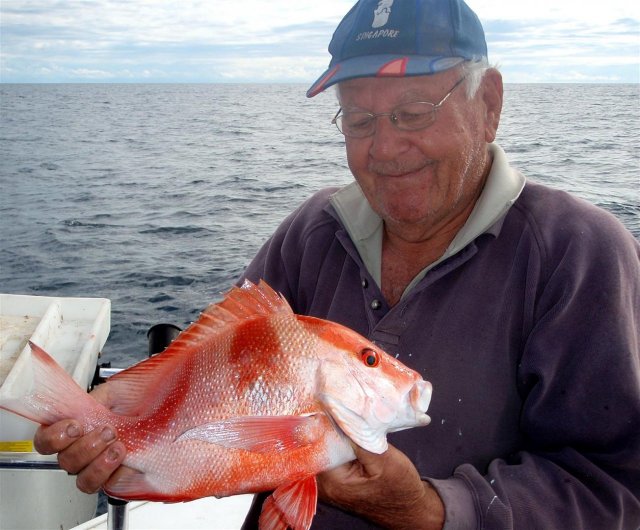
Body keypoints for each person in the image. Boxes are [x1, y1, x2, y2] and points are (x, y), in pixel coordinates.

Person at [33, 0, 640, 528]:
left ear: (488, 105)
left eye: (413, 111)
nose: (384, 147)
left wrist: (430, 510)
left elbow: (614, 488)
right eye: (359, 119)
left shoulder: (581, 254)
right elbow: (211, 376)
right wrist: (114, 427)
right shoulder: (312, 231)